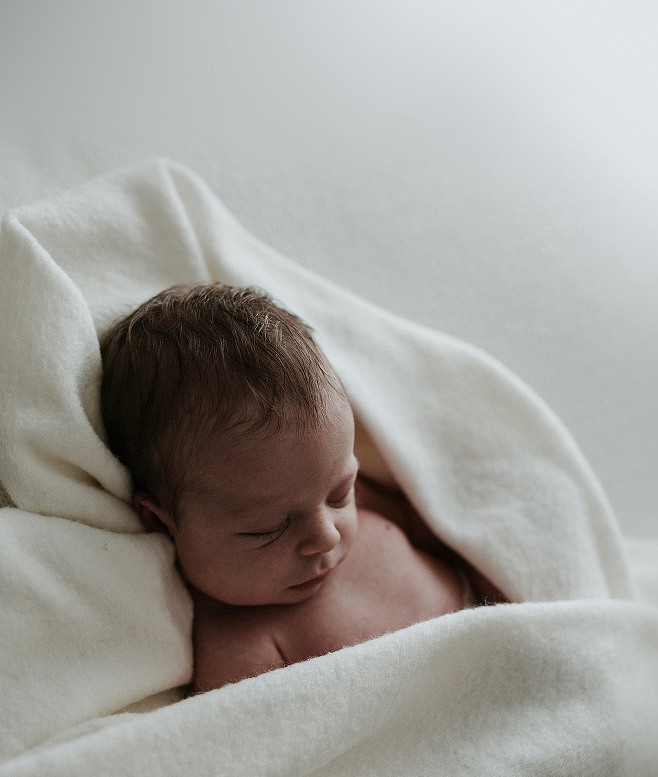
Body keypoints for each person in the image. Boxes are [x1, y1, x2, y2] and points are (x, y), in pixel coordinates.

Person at [100, 284, 506, 693]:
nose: (325, 535)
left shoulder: (361, 496)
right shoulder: (241, 649)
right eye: (267, 527)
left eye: (339, 494)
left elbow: (469, 536)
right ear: (162, 522)